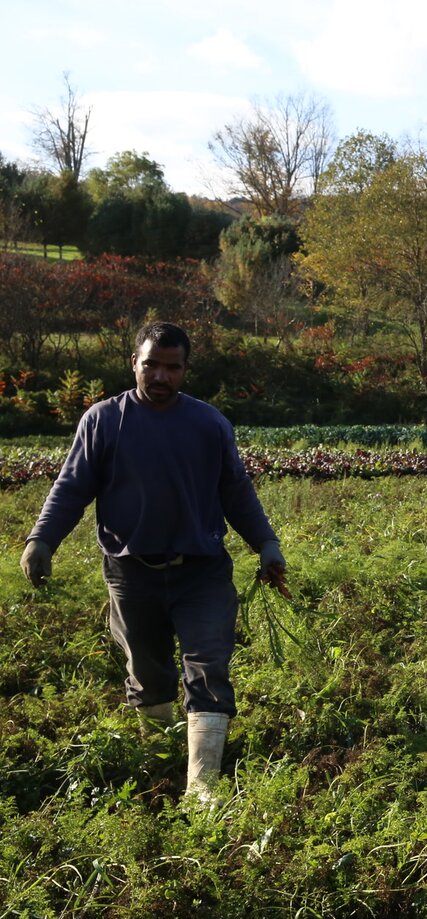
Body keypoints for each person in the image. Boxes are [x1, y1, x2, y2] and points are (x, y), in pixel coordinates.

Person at [20, 320, 286, 801]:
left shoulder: (208, 424)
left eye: (172, 367)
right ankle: (162, 768)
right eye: (151, 365)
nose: (160, 376)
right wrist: (42, 540)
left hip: (201, 570)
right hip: (131, 573)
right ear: (134, 364)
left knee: (208, 666)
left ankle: (201, 791)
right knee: (148, 675)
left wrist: (265, 542)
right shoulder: (104, 420)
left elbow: (236, 492)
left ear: (185, 370)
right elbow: (72, 488)